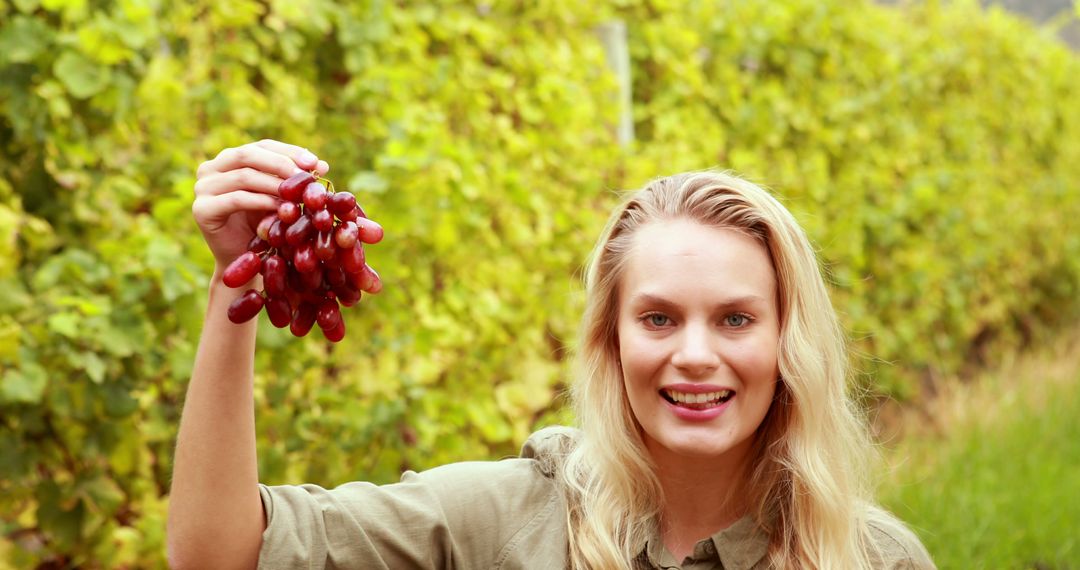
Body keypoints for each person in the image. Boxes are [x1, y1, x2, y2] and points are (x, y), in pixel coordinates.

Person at [168, 139, 935, 569]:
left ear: (787, 341)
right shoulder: (509, 520)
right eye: (659, 319)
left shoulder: (874, 559)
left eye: (736, 320)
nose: (696, 354)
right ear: (611, 341)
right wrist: (232, 290)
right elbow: (219, 555)